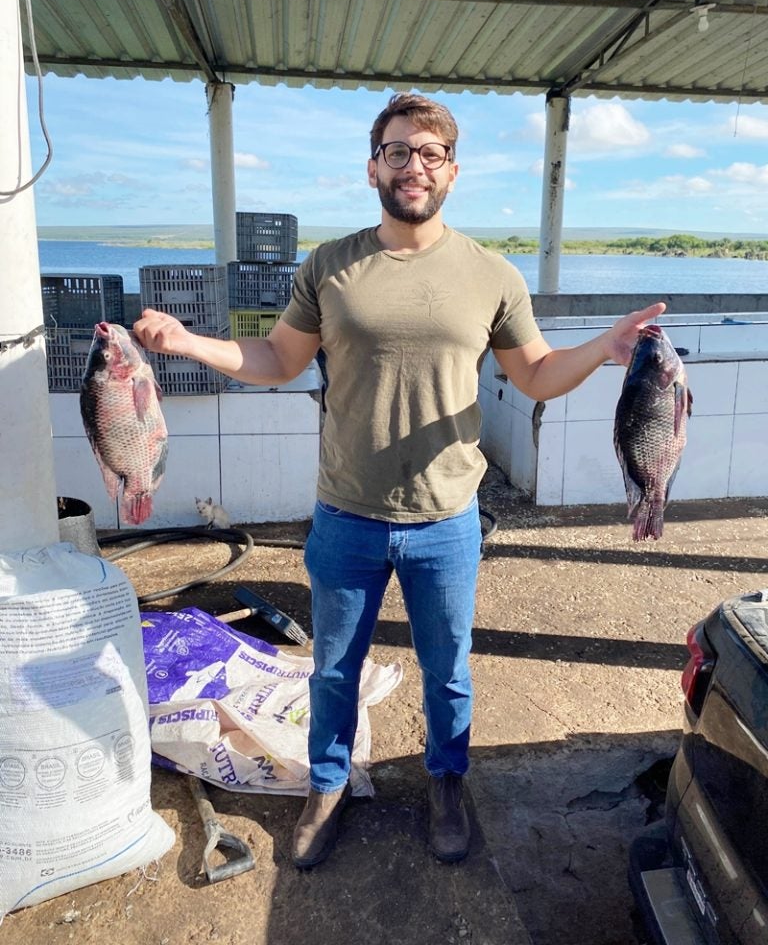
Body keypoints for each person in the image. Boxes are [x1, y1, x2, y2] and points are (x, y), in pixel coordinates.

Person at [133, 92, 665, 869]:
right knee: (334, 669)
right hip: (346, 515)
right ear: (372, 166)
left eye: (429, 153)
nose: (413, 165)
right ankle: (327, 784)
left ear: (452, 171)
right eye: (397, 151)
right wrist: (189, 342)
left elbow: (539, 374)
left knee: (448, 672)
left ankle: (448, 783)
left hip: (446, 517)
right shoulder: (331, 265)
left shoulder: (491, 274)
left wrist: (604, 347)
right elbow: (277, 360)